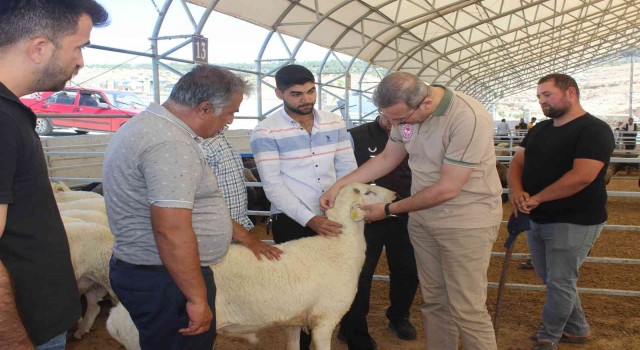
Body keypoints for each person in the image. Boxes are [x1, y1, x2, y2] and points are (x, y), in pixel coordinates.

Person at [321, 71, 503, 350]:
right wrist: (340, 185)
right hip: (424, 219)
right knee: (434, 301)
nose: (392, 125)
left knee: (467, 307)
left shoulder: (467, 117)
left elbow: (448, 188)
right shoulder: (405, 117)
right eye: (389, 118)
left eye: (399, 120)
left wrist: (389, 209)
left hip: (465, 221)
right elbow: (387, 157)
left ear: (426, 104)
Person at [104, 65, 255, 350]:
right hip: (166, 277)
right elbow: (171, 230)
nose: (230, 121)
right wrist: (197, 298)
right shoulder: (170, 144)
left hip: (156, 272)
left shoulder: (147, 126)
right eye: (230, 113)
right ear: (205, 108)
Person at [0, 1, 109, 349]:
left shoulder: (11, 114)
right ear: (39, 48)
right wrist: (17, 340)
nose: (81, 61)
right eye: (78, 46)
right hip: (24, 329)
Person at [250, 64, 357, 349]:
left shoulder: (334, 122)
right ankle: (299, 343)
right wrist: (311, 219)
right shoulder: (266, 131)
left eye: (311, 91)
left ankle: (329, 336)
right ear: (279, 93)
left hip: (334, 217)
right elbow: (272, 187)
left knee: (335, 281)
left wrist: (344, 205)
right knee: (299, 287)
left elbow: (348, 168)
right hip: (291, 220)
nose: (306, 99)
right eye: (296, 94)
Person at [507, 73, 615, 350]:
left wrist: (538, 198)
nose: (542, 101)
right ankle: (577, 329)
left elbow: (582, 176)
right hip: (538, 216)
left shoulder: (594, 129)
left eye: (547, 94)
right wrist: (517, 192)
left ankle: (549, 336)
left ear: (570, 93)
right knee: (553, 279)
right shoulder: (540, 129)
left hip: (575, 218)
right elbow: (517, 163)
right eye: (539, 97)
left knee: (560, 280)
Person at [338, 114, 419, 350]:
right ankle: (353, 325)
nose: (396, 120)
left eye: (402, 116)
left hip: (403, 212)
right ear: (382, 108)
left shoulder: (412, 132)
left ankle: (399, 316)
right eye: (391, 115)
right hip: (365, 217)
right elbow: (345, 171)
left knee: (407, 269)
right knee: (360, 272)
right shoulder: (356, 135)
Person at [201, 132, 283, 257]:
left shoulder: (220, 138)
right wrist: (247, 238)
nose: (230, 120)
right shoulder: (199, 144)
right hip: (214, 235)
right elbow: (199, 204)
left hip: (233, 232)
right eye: (229, 113)